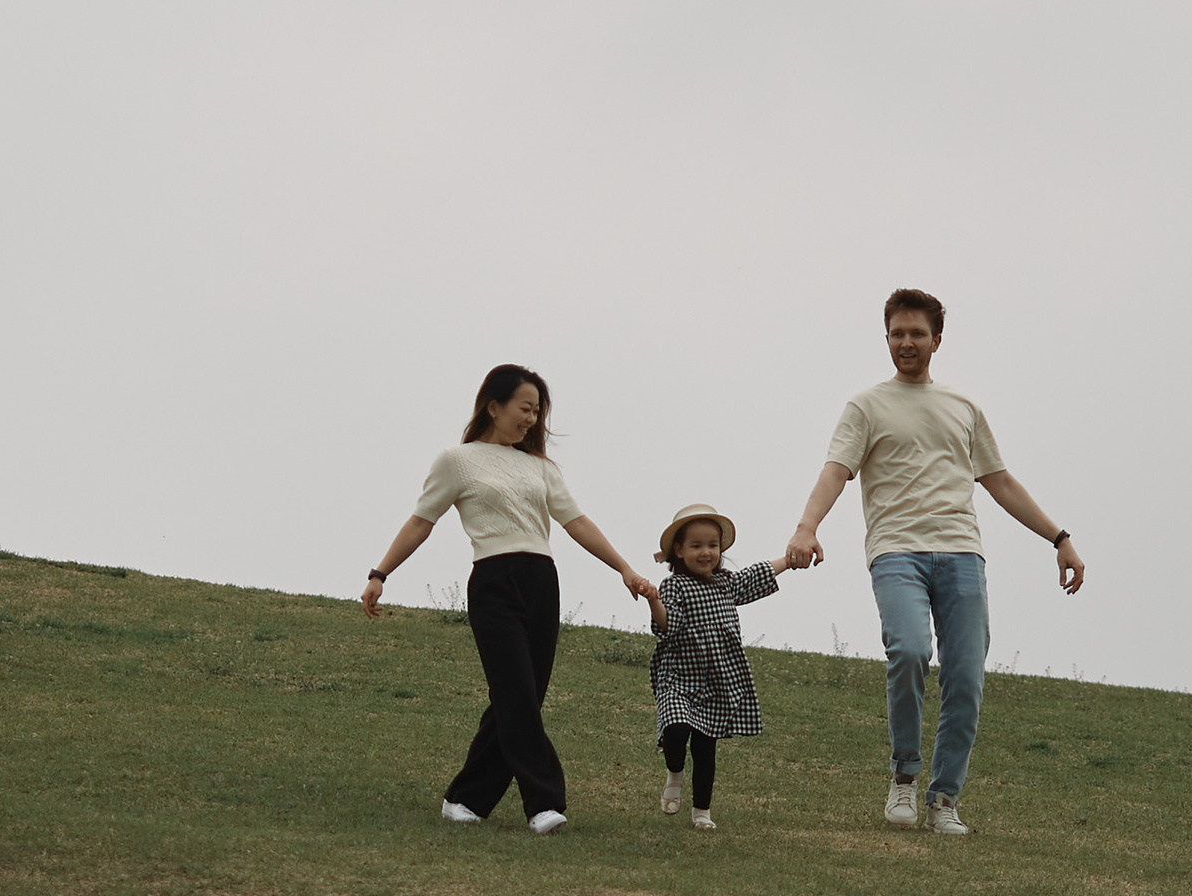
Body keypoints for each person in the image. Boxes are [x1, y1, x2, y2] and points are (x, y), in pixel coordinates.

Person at [785, 289, 1083, 836]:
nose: (906, 342)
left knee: (966, 678)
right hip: (896, 550)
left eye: (916, 333)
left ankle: (943, 798)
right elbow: (835, 471)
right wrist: (807, 527)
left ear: (936, 341)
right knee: (909, 650)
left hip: (963, 555)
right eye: (897, 333)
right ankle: (904, 776)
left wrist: (1058, 537)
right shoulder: (867, 406)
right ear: (887, 339)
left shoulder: (963, 408)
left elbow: (1000, 481)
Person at [362, 364, 658, 832]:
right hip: (494, 582)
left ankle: (465, 800)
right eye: (525, 407)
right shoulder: (456, 461)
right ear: (493, 406)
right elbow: (421, 521)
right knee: (517, 693)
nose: (531, 418)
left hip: (542, 581)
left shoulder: (540, 467)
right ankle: (543, 802)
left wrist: (625, 569)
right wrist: (381, 573)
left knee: (521, 697)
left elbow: (576, 522)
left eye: (537, 411)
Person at [645, 504, 808, 829]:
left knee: (706, 747)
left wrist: (789, 560)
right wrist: (653, 599)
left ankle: (701, 811)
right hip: (678, 678)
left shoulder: (726, 584)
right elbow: (668, 625)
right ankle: (674, 773)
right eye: (696, 546)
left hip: (719, 681)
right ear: (678, 550)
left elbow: (757, 574)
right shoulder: (675, 586)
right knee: (676, 729)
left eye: (713, 545)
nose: (706, 552)